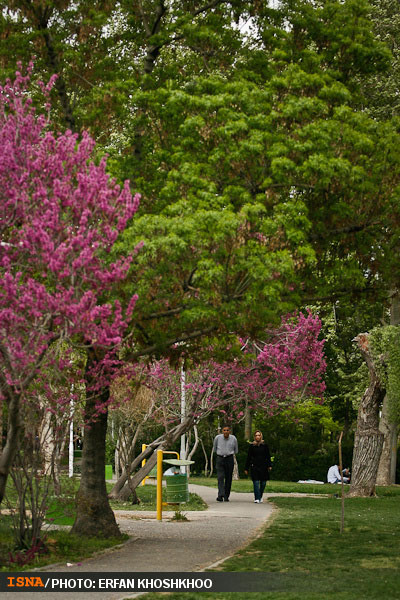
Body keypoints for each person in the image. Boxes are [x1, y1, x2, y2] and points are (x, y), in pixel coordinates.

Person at [244, 430, 272, 503]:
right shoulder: (252, 446)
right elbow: (249, 457)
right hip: (254, 466)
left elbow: (268, 456)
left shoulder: (265, 446)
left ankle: (260, 496)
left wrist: (269, 465)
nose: (257, 437)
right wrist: (246, 468)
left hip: (263, 466)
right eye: (256, 435)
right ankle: (257, 498)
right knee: (256, 482)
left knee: (263, 483)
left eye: (259, 435)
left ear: (261, 436)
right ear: (254, 437)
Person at [213, 425, 238, 502]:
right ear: (222, 431)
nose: (226, 432)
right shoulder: (217, 438)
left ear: (229, 431)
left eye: (227, 430)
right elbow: (215, 448)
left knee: (228, 477)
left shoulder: (233, 438)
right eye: (224, 430)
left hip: (229, 458)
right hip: (220, 458)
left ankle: (226, 496)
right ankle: (220, 495)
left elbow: (236, 450)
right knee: (220, 477)